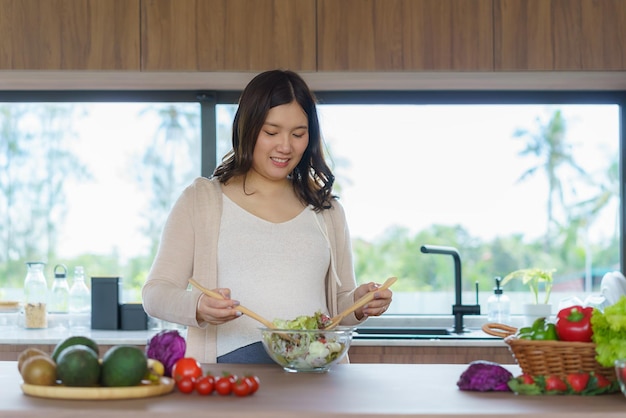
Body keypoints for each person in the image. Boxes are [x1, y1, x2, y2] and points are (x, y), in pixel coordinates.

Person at [142, 69, 393, 363]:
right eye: (271, 132)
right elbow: (155, 294)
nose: (285, 146)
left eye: (298, 134)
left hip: (318, 377)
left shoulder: (326, 210)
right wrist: (196, 305)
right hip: (232, 375)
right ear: (248, 129)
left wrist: (360, 304)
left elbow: (338, 307)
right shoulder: (202, 201)